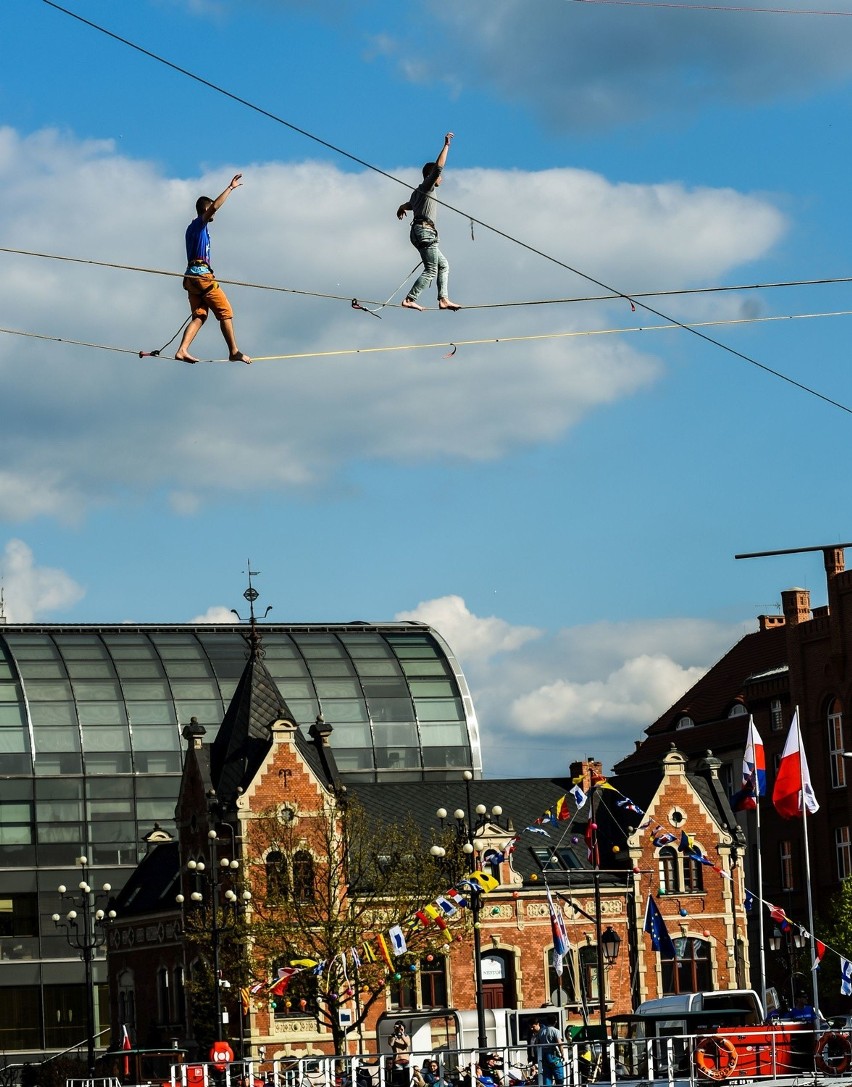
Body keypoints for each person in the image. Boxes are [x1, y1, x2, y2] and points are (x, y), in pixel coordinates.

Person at [175, 173, 251, 364]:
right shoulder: (200, 224)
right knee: (225, 311)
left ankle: (182, 349)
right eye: (211, 212)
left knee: (200, 316)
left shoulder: (191, 228)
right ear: (206, 210)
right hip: (202, 277)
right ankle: (234, 351)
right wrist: (230, 188)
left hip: (190, 280)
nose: (214, 214)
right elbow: (215, 205)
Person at [396, 133, 461, 312]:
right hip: (425, 231)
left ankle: (443, 299)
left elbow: (410, 204)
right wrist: (446, 146)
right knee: (431, 269)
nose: (441, 179)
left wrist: (402, 206)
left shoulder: (418, 192)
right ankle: (410, 299)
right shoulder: (427, 186)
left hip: (418, 232)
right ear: (430, 177)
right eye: (438, 177)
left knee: (443, 265)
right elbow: (438, 168)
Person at [529, 1016, 566, 1087]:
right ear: (555, 1022)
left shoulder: (541, 1031)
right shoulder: (556, 1031)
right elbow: (560, 1043)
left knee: (547, 1080)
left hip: (544, 1059)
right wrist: (562, 1054)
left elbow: (537, 1045)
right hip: (554, 1058)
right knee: (559, 1079)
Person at [388, 1021, 411, 1087]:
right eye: (398, 1028)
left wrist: (402, 1034)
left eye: (401, 1028)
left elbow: (408, 1044)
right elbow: (391, 1044)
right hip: (397, 1060)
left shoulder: (406, 1036)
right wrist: (395, 1034)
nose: (399, 1030)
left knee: (407, 1079)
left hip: (406, 1060)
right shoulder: (391, 1036)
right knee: (398, 1079)